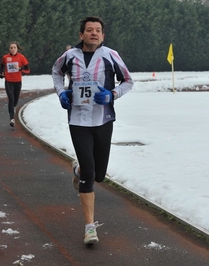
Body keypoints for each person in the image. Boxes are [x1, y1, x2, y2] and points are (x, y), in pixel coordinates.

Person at [52, 16, 134, 245]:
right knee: (90, 174)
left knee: (99, 175)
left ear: (103, 35)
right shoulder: (69, 56)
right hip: (78, 120)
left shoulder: (111, 55)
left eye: (98, 30)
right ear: (81, 35)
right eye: (89, 30)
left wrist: (112, 94)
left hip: (103, 119)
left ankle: (78, 170)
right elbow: (56, 73)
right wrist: (61, 93)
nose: (94, 33)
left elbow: (128, 81)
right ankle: (89, 227)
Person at [0, 41, 30, 127]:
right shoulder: (5, 57)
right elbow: (1, 66)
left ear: (17, 48)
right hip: (8, 81)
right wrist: (1, 73)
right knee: (11, 99)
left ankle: (14, 108)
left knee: (15, 100)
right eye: (11, 48)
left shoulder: (21, 57)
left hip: (18, 81)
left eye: (14, 47)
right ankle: (12, 119)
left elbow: (28, 70)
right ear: (9, 49)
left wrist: (20, 69)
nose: (13, 49)